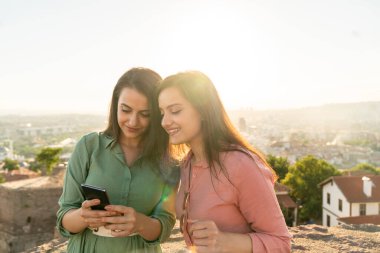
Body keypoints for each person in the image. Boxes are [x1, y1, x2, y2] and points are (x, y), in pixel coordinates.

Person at [158, 71, 292, 253]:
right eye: (162, 113)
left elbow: (281, 243)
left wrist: (224, 242)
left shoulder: (240, 165)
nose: (165, 122)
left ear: (203, 110)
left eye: (175, 111)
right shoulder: (187, 164)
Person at [56, 67, 178, 252]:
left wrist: (140, 223)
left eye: (145, 114)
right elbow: (64, 219)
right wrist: (83, 216)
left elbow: (165, 225)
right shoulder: (89, 146)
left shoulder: (169, 163)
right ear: (115, 105)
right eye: (126, 110)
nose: (133, 121)